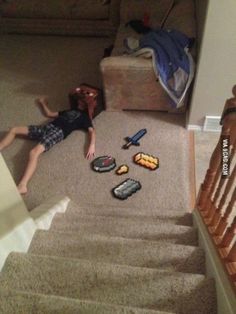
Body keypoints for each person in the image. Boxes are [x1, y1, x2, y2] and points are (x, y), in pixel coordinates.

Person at [0, 96, 96, 195]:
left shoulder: (84, 117)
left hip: (58, 132)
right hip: (46, 127)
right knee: (14, 129)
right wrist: (43, 103)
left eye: (83, 102)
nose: (80, 102)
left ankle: (23, 185)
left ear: (86, 106)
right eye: (80, 100)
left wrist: (91, 145)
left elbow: (92, 131)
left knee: (33, 152)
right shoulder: (69, 110)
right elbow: (49, 114)